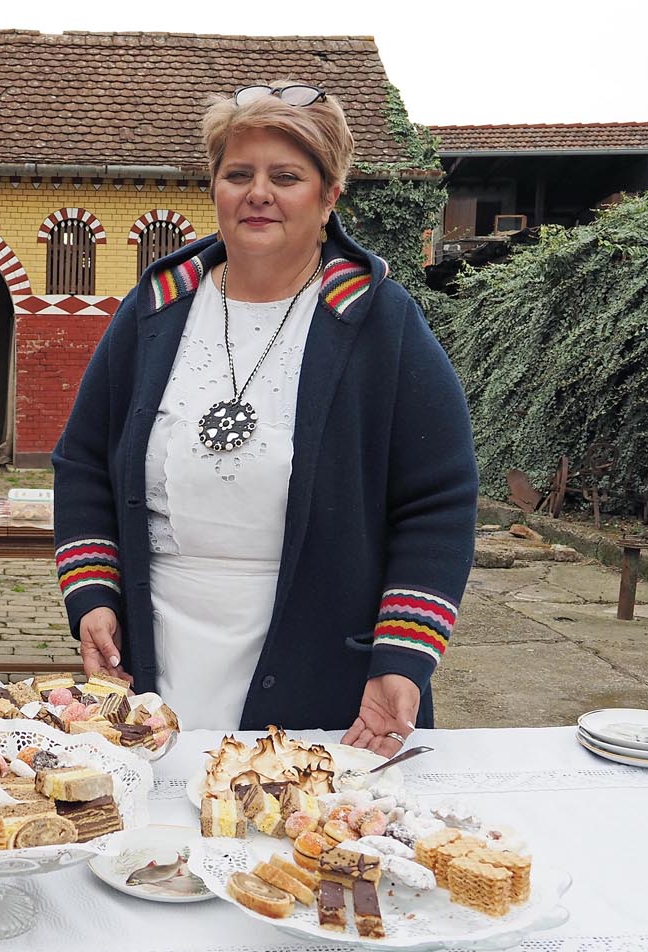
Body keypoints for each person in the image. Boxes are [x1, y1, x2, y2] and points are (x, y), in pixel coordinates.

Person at [52, 83, 476, 756]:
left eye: (286, 177)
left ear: (329, 196)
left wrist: (402, 656)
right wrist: (93, 596)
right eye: (238, 174)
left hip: (324, 668)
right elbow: (82, 464)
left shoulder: (380, 321)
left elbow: (438, 499)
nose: (258, 193)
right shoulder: (155, 310)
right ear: (214, 188)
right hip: (157, 654)